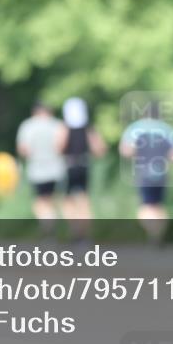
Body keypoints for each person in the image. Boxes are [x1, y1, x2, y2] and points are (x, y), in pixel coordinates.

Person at [119, 101, 173, 245]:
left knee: (146, 206)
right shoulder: (167, 130)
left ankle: (151, 233)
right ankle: (158, 234)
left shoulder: (136, 128)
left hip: (143, 172)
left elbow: (125, 151)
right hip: (162, 173)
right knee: (159, 205)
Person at [60, 97, 107, 242]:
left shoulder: (65, 128)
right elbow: (100, 150)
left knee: (69, 202)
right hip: (84, 164)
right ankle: (84, 235)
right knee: (84, 201)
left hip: (70, 166)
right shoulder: (88, 129)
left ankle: (76, 232)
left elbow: (59, 147)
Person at [16, 102, 67, 234]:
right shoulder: (57, 124)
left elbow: (23, 149)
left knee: (40, 201)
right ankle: (53, 226)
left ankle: (48, 228)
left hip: (37, 169)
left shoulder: (28, 125)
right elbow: (62, 146)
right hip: (56, 168)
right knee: (52, 199)